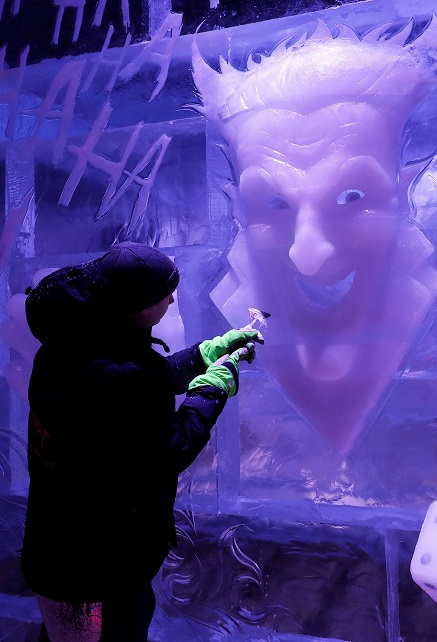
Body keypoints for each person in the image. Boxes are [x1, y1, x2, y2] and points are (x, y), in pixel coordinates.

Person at [21, 242, 263, 641]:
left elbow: (139, 380)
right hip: (95, 564)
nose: (171, 298)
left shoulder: (74, 346)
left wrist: (202, 356)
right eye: (162, 294)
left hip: (58, 549)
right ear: (133, 305)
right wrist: (210, 392)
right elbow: (167, 450)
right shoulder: (115, 372)